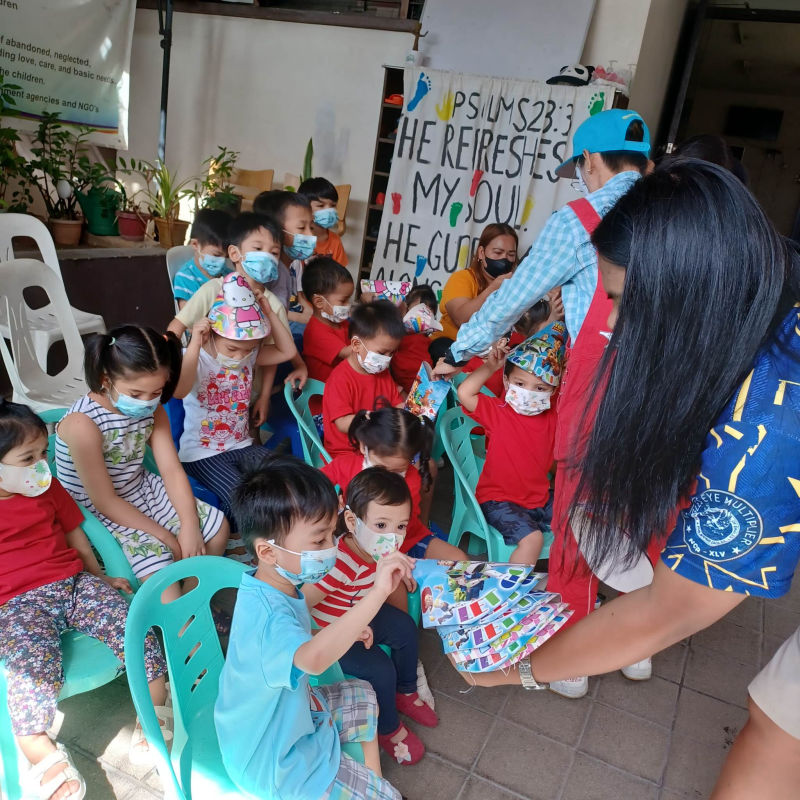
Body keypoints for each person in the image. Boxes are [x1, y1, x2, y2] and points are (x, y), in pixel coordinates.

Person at [451, 160, 800, 798]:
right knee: (775, 726)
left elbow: (668, 612)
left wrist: (516, 671)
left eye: (618, 299)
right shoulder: (771, 292)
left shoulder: (769, 425)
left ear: (683, 293)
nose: (612, 321)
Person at [433, 108, 652, 697]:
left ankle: (574, 657)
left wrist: (464, 347)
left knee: (575, 510)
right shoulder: (672, 212)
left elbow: (512, 300)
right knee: (626, 510)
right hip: (657, 390)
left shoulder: (580, 217)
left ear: (589, 163)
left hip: (598, 385)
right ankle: (637, 644)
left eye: (580, 167)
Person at [0, 400, 168, 800]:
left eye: (44, 452)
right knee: (30, 671)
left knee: (133, 629)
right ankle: (42, 752)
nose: (43, 464)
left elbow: (75, 532)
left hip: (74, 585)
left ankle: (155, 711)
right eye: (29, 457)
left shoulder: (45, 485)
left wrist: (98, 578)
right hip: (16, 605)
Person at [214, 455, 407, 800]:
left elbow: (301, 643)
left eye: (332, 535)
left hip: (286, 714)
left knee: (364, 693)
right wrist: (378, 591)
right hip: (271, 761)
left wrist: (335, 632)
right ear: (267, 552)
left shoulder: (272, 585)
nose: (332, 547)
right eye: (319, 541)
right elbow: (313, 660)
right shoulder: (270, 617)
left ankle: (366, 779)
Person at [55, 326, 229, 597]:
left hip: (141, 489)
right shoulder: (83, 425)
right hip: (100, 509)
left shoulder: (153, 409)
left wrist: (190, 525)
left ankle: (196, 606)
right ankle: (179, 627)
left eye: (156, 391)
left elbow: (171, 469)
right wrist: (166, 535)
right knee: (163, 573)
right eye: (136, 394)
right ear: (105, 378)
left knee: (217, 530)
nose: (147, 401)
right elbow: (104, 501)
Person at [304, 468, 438, 766]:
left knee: (404, 627)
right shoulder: (336, 563)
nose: (393, 537)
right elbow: (301, 605)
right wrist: (337, 633)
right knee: (379, 668)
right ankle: (388, 729)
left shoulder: (376, 550)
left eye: (401, 526)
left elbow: (377, 582)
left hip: (360, 614)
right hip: (330, 634)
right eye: (381, 524)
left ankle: (405, 691)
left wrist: (398, 575)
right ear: (352, 522)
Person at [173, 272, 296, 529]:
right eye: (232, 349)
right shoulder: (195, 358)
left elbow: (287, 351)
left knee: (290, 479)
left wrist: (269, 312)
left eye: (249, 350)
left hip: (242, 445)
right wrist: (195, 343)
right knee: (240, 497)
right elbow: (180, 391)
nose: (240, 356)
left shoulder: (247, 357)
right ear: (213, 335)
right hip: (202, 454)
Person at [167, 212, 307, 425]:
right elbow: (177, 326)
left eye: (274, 252)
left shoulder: (272, 307)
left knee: (244, 434)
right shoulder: (213, 290)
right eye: (258, 249)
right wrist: (169, 362)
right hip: (202, 387)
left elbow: (273, 357)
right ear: (234, 253)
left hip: (244, 393)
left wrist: (264, 396)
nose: (267, 257)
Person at [457, 324, 564, 565]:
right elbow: (465, 393)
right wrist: (490, 366)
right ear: (506, 382)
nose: (529, 393)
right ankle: (510, 593)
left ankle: (568, 587)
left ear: (552, 391)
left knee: (580, 519)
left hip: (539, 499)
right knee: (533, 540)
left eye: (540, 388)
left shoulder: (553, 416)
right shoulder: (499, 412)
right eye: (520, 384)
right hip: (498, 501)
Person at [321, 407, 467, 563]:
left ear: (411, 459)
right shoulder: (345, 465)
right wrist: (329, 503)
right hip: (357, 541)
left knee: (459, 559)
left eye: (398, 470)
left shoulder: (411, 479)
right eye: (381, 467)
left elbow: (404, 527)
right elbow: (313, 485)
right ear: (364, 447)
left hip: (402, 539)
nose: (387, 476)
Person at [322, 301, 404, 458]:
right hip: (347, 452)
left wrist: (412, 411)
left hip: (378, 445)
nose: (387, 359)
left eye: (391, 353)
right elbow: (343, 423)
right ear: (356, 345)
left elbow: (396, 403)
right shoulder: (340, 379)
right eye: (382, 353)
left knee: (426, 466)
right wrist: (377, 421)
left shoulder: (382, 372)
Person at [428, 223, 518, 364]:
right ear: (481, 253)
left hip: (493, 352)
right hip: (452, 345)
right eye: (498, 253)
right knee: (444, 348)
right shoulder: (463, 278)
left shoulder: (515, 287)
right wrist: (493, 288)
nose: (504, 259)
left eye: (511, 255)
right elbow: (462, 319)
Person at [253, 190, 317, 333]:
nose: (311, 235)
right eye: (301, 228)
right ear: (276, 231)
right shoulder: (269, 271)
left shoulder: (287, 268)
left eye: (311, 227)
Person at [301, 256, 355, 384]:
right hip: (323, 394)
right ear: (319, 302)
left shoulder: (342, 323)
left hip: (342, 382)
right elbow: (348, 353)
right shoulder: (316, 332)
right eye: (343, 300)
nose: (348, 305)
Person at [172, 209, 232, 309]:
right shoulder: (185, 278)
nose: (222, 261)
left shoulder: (229, 275)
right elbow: (186, 318)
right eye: (216, 255)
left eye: (226, 257)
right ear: (195, 244)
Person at [391, 285, 440, 393]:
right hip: (398, 390)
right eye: (417, 311)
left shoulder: (428, 343)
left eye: (429, 314)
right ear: (405, 309)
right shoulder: (394, 336)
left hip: (422, 392)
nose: (422, 318)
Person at [298, 176, 349, 266]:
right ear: (304, 207)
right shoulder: (297, 239)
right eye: (320, 206)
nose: (329, 211)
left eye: (333, 205)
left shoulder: (335, 241)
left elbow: (339, 273)